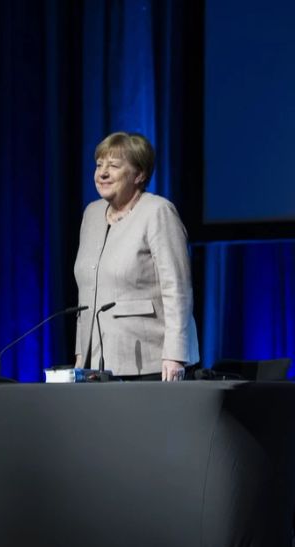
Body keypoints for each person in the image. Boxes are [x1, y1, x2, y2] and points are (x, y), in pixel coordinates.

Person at [73, 132, 199, 381]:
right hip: (96, 366)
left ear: (139, 174)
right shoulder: (91, 214)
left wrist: (174, 355)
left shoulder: (157, 212)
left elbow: (177, 289)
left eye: (114, 166)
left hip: (151, 362)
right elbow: (87, 292)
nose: (103, 173)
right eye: (99, 165)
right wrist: (80, 354)